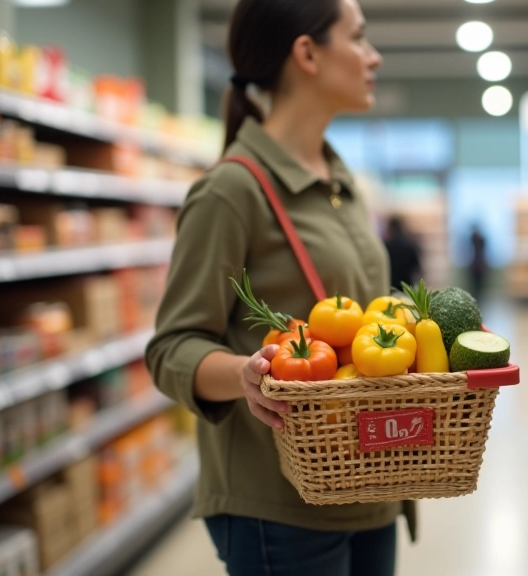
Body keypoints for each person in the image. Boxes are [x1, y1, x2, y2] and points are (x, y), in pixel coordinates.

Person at [145, 1, 409, 574]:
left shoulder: (340, 180)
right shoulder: (230, 191)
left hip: (370, 483)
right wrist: (246, 374)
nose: (374, 57)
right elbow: (171, 348)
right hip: (281, 507)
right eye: (358, 38)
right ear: (307, 53)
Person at [384, 214, 421, 290]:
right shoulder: (410, 244)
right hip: (407, 287)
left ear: (390, 227)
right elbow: (417, 267)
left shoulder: (386, 246)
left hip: (391, 286)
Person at [467, 223, 488, 303]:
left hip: (479, 266)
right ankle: (476, 298)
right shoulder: (473, 239)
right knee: (474, 285)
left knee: (479, 285)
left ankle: (479, 298)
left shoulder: (481, 239)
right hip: (475, 266)